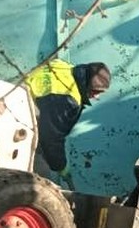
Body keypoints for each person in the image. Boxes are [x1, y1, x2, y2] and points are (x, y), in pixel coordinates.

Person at [24, 58, 112, 187]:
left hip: (14, 104)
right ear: (87, 85)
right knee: (38, 186)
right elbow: (51, 137)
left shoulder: (63, 67)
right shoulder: (67, 99)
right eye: (95, 92)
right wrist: (61, 166)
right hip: (24, 124)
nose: (96, 96)